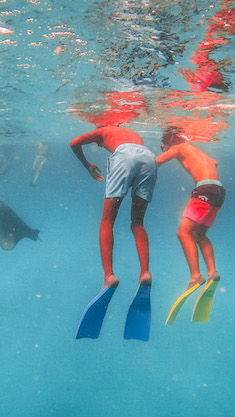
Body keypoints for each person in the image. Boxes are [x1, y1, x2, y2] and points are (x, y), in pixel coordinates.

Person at [71, 125, 157, 340]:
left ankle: (109, 276)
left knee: (107, 221)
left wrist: (87, 164)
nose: (100, 145)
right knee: (137, 223)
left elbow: (74, 142)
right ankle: (144, 272)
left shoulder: (101, 131)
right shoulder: (128, 130)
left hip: (124, 156)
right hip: (148, 158)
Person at [156, 129, 225, 324]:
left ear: (170, 140)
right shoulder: (194, 150)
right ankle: (212, 272)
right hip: (218, 191)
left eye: (164, 144)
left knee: (183, 233)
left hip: (204, 189)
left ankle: (195, 277)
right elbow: (214, 163)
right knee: (200, 234)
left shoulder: (177, 148)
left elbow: (156, 162)